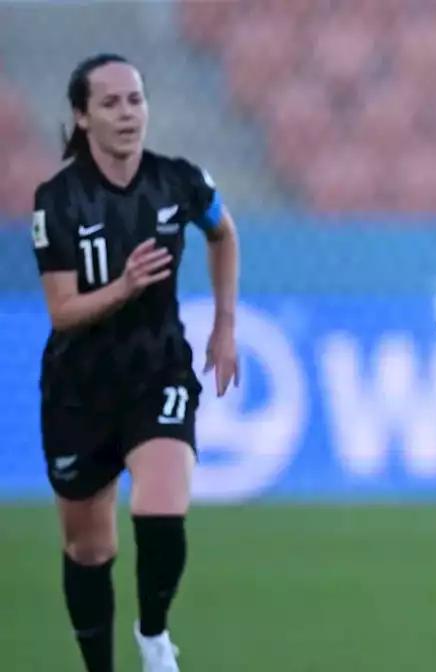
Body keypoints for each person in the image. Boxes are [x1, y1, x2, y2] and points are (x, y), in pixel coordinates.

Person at [31, 53, 241, 672]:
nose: (128, 114)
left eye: (136, 99)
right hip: (79, 386)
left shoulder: (180, 182)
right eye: (111, 103)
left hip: (160, 370)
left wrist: (224, 325)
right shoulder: (58, 200)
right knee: (89, 549)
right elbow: (63, 311)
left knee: (161, 509)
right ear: (82, 116)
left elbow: (223, 233)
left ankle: (153, 636)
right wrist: (123, 286)